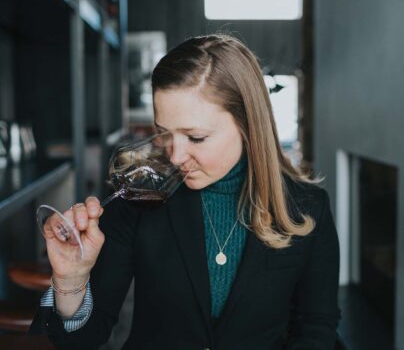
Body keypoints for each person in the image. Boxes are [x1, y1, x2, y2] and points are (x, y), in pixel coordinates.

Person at [31, 34, 340, 349]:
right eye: (164, 133)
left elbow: (316, 327)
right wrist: (71, 281)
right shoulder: (140, 201)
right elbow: (82, 340)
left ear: (248, 126)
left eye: (196, 137)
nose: (175, 157)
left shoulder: (307, 207)